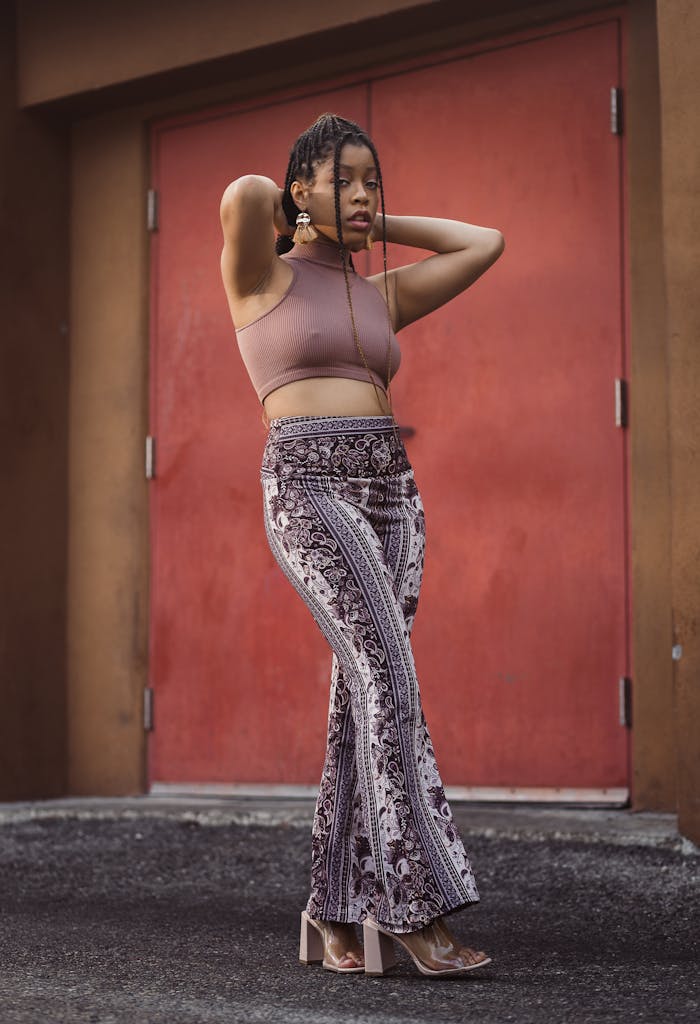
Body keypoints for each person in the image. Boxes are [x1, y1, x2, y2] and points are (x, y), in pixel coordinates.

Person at [219, 113, 504, 977]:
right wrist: (303, 214)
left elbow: (483, 243)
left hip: (392, 493)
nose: (363, 195)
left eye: (372, 182)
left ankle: (333, 906)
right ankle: (412, 903)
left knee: (364, 694)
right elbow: (244, 194)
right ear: (300, 192)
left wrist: (379, 222)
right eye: (343, 180)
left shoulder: (379, 295)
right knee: (390, 679)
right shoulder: (262, 277)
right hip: (309, 488)